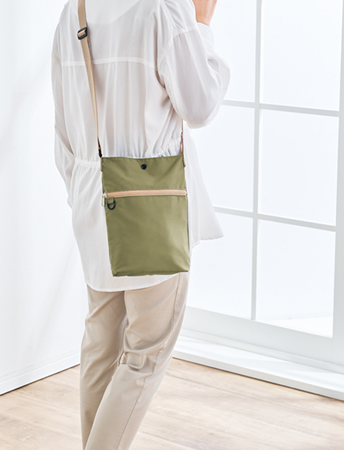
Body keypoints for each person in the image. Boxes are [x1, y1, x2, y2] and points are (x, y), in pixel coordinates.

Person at [51, 0, 230, 448]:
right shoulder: (164, 8)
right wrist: (202, 25)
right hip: (150, 205)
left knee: (100, 347)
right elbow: (200, 105)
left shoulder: (75, 10)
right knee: (145, 355)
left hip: (92, 200)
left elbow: (63, 129)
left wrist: (83, 194)